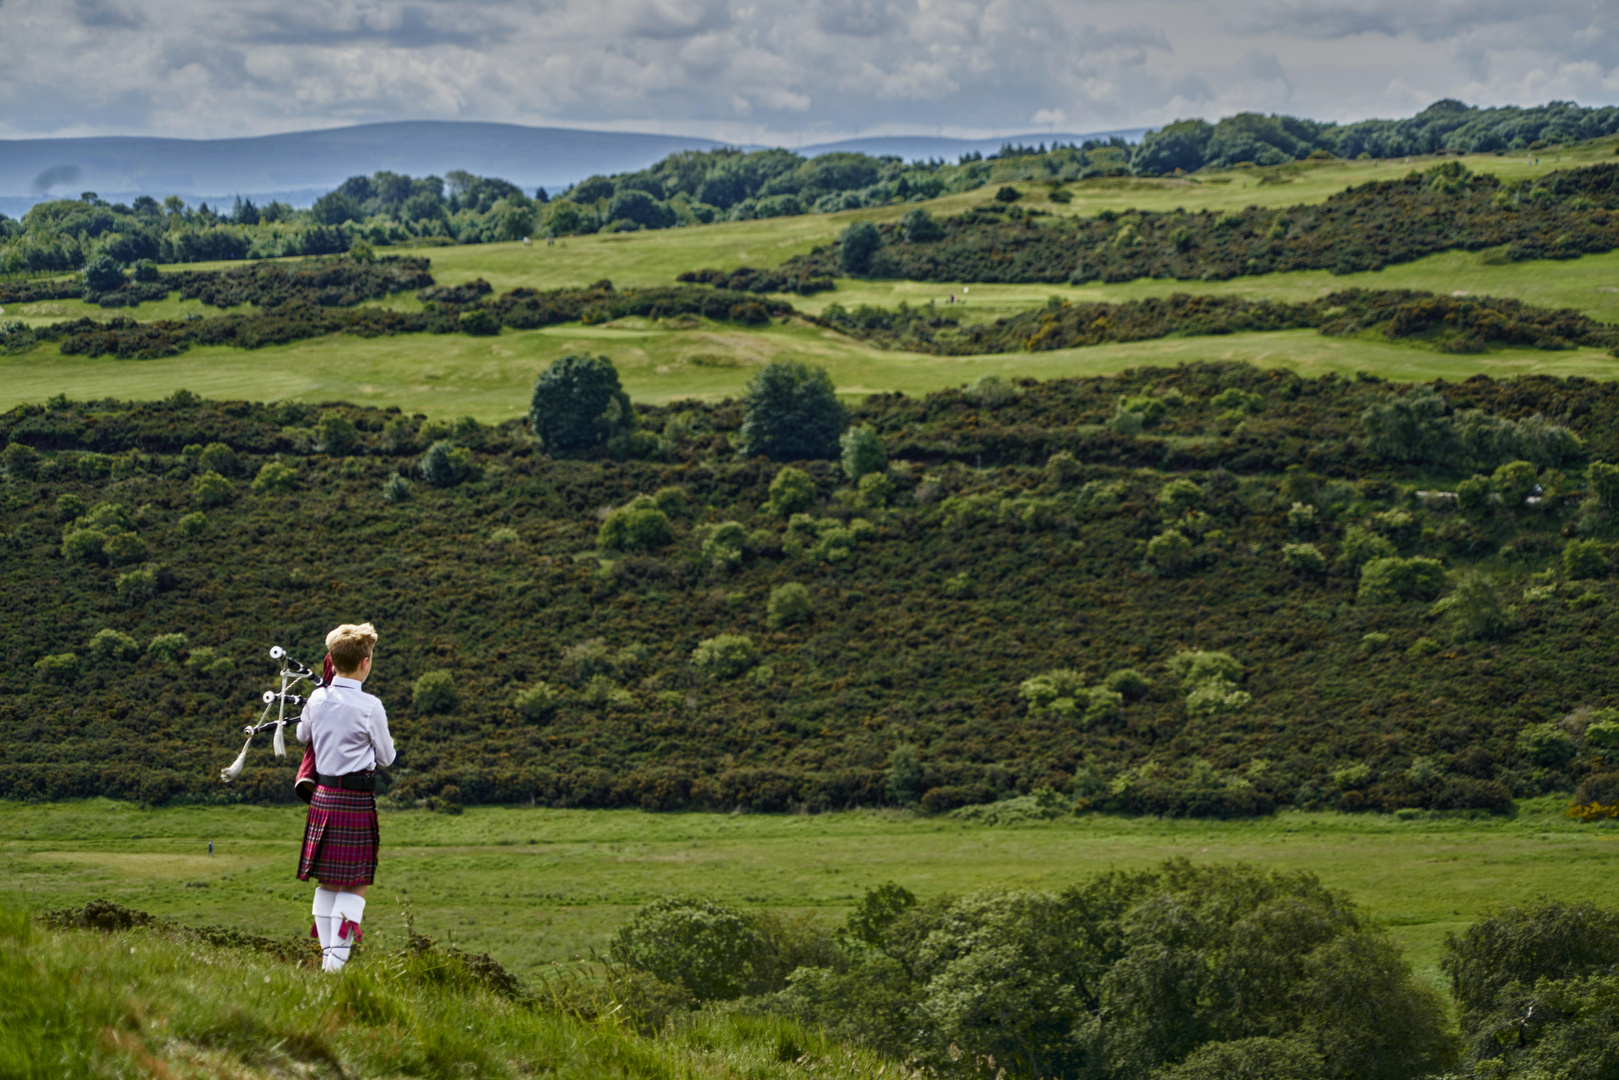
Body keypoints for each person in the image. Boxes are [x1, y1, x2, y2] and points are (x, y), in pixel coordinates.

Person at [296, 622, 395, 971]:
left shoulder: (317, 698)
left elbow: (301, 734)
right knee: (356, 884)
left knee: (328, 882)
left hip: (323, 797)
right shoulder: (370, 706)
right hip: (354, 801)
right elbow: (386, 757)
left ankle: (328, 963)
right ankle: (335, 968)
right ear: (365, 662)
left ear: (331, 660)